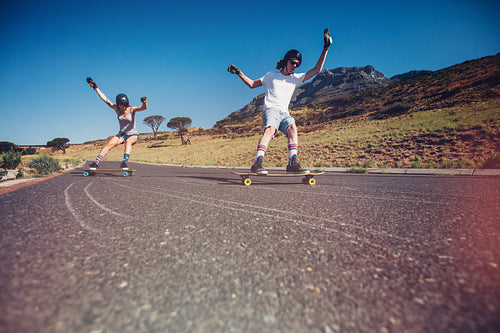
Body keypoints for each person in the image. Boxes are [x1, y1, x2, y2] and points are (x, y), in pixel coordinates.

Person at [228, 28, 332, 174]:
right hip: (271, 110)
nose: (295, 66)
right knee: (270, 131)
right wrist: (239, 72)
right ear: (286, 61)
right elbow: (252, 84)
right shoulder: (271, 75)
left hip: (284, 113)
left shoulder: (296, 79)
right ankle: (257, 163)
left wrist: (325, 48)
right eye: (293, 62)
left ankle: (292, 164)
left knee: (292, 128)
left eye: (298, 64)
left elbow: (317, 69)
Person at [86, 77, 147, 169]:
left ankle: (124, 163)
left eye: (124, 105)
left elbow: (143, 108)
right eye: (120, 105)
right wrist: (95, 87)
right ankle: (96, 163)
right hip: (122, 134)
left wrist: (144, 102)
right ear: (118, 104)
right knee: (110, 143)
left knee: (128, 141)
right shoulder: (117, 109)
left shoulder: (132, 109)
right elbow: (105, 99)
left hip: (133, 135)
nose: (122, 107)